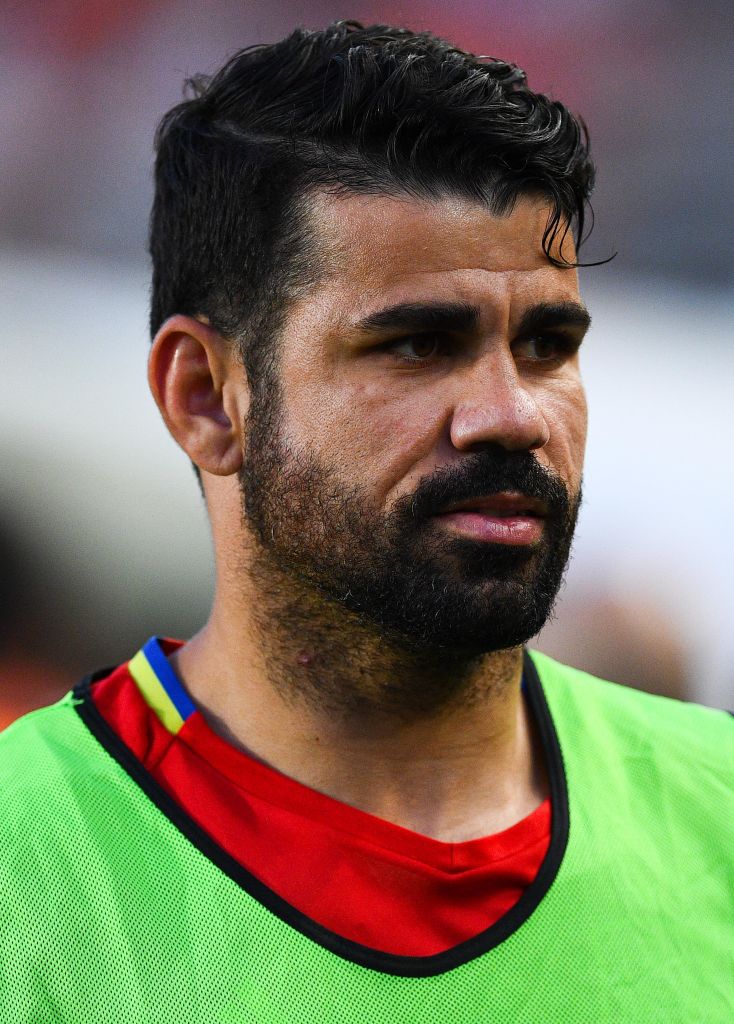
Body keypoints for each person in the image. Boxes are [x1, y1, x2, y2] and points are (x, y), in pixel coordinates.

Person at [1, 21, 731, 1023]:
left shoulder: (714, 808)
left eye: (547, 345)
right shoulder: (29, 871)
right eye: (418, 344)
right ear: (205, 398)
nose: (512, 415)